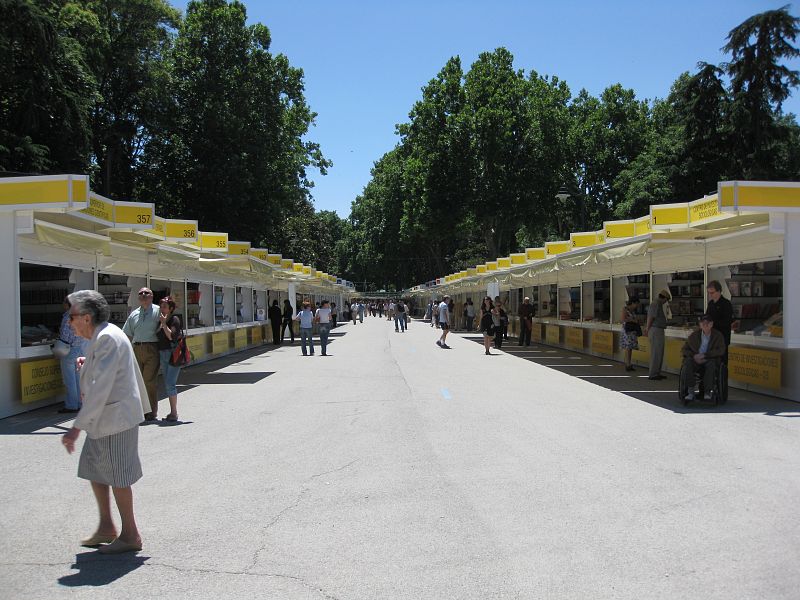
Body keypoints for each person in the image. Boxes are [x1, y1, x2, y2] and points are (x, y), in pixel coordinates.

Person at [61, 290, 147, 554]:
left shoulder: (107, 337)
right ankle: (107, 527)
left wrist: (76, 428)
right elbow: (110, 369)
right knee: (95, 469)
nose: (69, 322)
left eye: (72, 317)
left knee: (119, 475)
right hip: (108, 419)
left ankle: (130, 534)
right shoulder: (105, 335)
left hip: (114, 419)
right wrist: (89, 362)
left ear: (86, 318)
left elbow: (101, 387)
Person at [122, 287, 160, 422]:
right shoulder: (134, 314)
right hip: (137, 349)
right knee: (137, 381)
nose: (143, 295)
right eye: (141, 293)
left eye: (147, 293)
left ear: (152, 296)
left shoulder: (158, 311)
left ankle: (151, 412)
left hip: (152, 348)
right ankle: (140, 411)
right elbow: (127, 333)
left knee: (148, 381)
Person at [680, 314, 726, 401]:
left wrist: (706, 355)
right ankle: (690, 391)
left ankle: (707, 392)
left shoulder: (718, 335)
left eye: (707, 323)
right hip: (695, 359)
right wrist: (694, 356)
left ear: (711, 324)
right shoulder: (694, 335)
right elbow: (684, 349)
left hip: (709, 359)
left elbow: (721, 350)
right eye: (703, 323)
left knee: (711, 365)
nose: (705, 325)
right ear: (700, 324)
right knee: (688, 363)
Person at [57, 297, 89, 413]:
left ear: (67, 304)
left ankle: (71, 405)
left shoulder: (67, 316)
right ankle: (80, 403)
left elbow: (65, 336)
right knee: (77, 379)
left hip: (69, 350)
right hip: (79, 348)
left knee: (69, 379)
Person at [156, 296, 183, 422]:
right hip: (163, 354)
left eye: (165, 307)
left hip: (173, 354)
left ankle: (174, 412)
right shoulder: (160, 320)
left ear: (171, 309)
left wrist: (163, 323)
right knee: (167, 383)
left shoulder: (174, 320)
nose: (162, 309)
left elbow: (171, 336)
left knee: (170, 383)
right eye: (161, 306)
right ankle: (172, 411)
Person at [644, 288, 671, 380]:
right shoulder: (656, 304)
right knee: (656, 352)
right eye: (666, 300)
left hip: (657, 330)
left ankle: (657, 372)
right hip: (656, 330)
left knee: (659, 352)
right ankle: (653, 374)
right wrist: (647, 329)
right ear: (664, 298)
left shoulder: (657, 304)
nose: (665, 302)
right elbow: (650, 317)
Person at [706, 280, 733, 364]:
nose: (710, 295)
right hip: (712, 338)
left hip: (722, 338)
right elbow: (707, 316)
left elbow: (727, 322)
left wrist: (712, 323)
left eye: (712, 293)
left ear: (719, 291)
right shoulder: (711, 304)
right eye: (709, 293)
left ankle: (722, 377)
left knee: (722, 363)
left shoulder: (726, 304)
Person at [620, 296, 641, 371]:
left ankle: (629, 363)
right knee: (628, 348)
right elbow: (623, 319)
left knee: (630, 348)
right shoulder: (625, 309)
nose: (637, 306)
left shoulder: (633, 311)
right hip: (627, 331)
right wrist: (632, 320)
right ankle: (627, 364)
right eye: (636, 304)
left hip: (632, 331)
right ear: (632, 303)